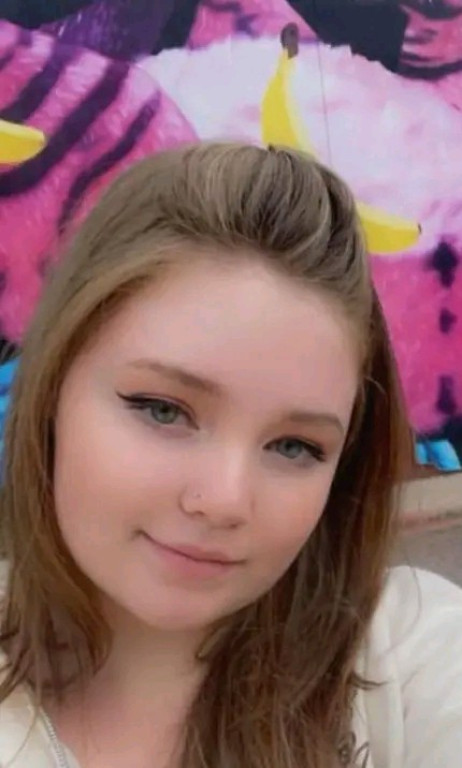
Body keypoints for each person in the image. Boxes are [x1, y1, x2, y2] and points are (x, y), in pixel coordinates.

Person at [0, 142, 460, 768]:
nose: (224, 500)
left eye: (294, 446)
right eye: (164, 410)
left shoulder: (407, 662)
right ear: (53, 390)